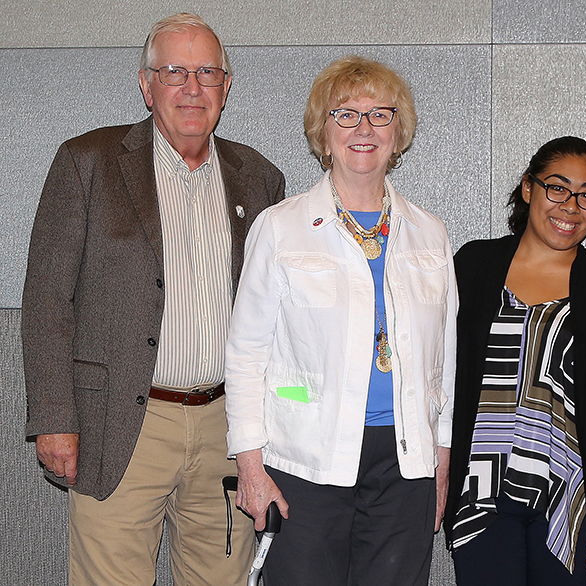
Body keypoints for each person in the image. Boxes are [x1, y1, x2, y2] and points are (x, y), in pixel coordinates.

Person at [21, 13, 285, 585]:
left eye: (207, 72)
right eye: (174, 71)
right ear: (145, 85)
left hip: (227, 430)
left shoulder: (260, 179)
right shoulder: (86, 163)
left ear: (226, 86)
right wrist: (53, 418)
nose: (192, 88)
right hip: (117, 425)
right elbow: (46, 300)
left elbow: (275, 317)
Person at [224, 55, 457, 586]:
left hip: (404, 463)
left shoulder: (431, 234)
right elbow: (244, 356)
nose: (364, 128)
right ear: (322, 133)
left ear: (399, 134)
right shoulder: (281, 228)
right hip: (305, 459)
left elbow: (446, 364)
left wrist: (442, 461)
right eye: (345, 114)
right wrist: (251, 466)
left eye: (380, 114)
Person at [445, 136, 586, 586]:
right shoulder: (474, 265)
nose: (571, 206)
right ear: (529, 188)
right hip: (481, 492)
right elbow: (439, 374)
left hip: (568, 493)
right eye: (558, 188)